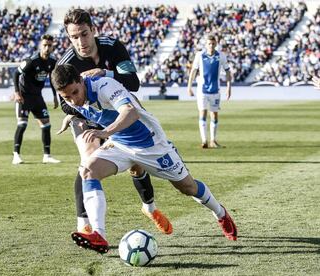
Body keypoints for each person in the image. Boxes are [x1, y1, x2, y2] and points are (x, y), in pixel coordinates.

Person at [51, 64, 238, 254]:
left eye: (75, 92)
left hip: (152, 144)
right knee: (88, 170)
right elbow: (77, 103)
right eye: (67, 97)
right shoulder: (74, 99)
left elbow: (130, 112)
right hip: (120, 145)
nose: (74, 99)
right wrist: (71, 116)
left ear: (81, 82)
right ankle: (99, 235)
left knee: (188, 187)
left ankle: (220, 213)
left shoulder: (105, 85)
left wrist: (104, 133)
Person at [56, 8, 172, 235]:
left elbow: (133, 82)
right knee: (88, 162)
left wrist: (104, 73)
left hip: (117, 110)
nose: (81, 42)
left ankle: (149, 207)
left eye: (84, 34)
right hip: (87, 115)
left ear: (93, 30)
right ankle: (84, 225)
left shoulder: (113, 47)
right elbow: (63, 103)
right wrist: (81, 110)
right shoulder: (67, 63)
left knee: (137, 162)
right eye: (74, 37)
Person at [12, 34, 61, 165]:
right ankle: (16, 155)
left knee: (46, 124)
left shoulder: (52, 62)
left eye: (49, 46)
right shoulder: (31, 61)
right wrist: (17, 93)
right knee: (22, 124)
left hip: (37, 97)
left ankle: (47, 156)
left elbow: (53, 79)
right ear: (41, 45)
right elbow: (16, 74)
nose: (47, 48)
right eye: (44, 45)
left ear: (52, 47)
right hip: (24, 96)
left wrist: (55, 96)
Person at [187, 35, 232, 149]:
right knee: (202, 113)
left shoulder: (221, 56)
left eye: (213, 44)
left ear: (216, 44)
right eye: (209, 44)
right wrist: (189, 86)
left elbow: (227, 71)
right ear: (206, 45)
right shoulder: (199, 55)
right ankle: (204, 140)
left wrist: (229, 86)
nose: (211, 46)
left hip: (215, 90)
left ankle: (213, 140)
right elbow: (193, 71)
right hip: (202, 90)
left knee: (214, 115)